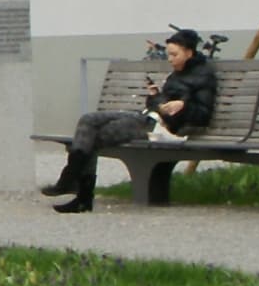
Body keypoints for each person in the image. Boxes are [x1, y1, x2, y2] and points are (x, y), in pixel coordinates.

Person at [43, 26, 217, 211]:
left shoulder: (204, 76)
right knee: (89, 120)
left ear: (189, 53)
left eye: (174, 55)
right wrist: (155, 96)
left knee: (94, 137)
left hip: (162, 129)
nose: (170, 59)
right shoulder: (176, 74)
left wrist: (183, 106)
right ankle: (71, 180)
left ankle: (79, 192)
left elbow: (202, 115)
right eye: (169, 55)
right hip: (148, 118)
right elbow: (159, 105)